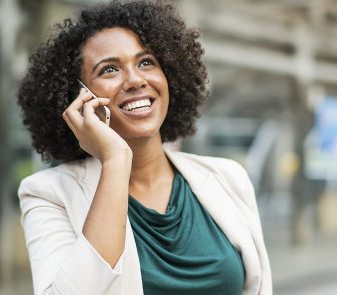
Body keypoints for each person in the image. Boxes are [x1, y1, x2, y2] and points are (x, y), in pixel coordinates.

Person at [17, 1, 271, 294]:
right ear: (78, 98)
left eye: (146, 62)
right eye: (109, 69)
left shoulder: (228, 178)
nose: (136, 80)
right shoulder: (47, 194)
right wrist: (115, 160)